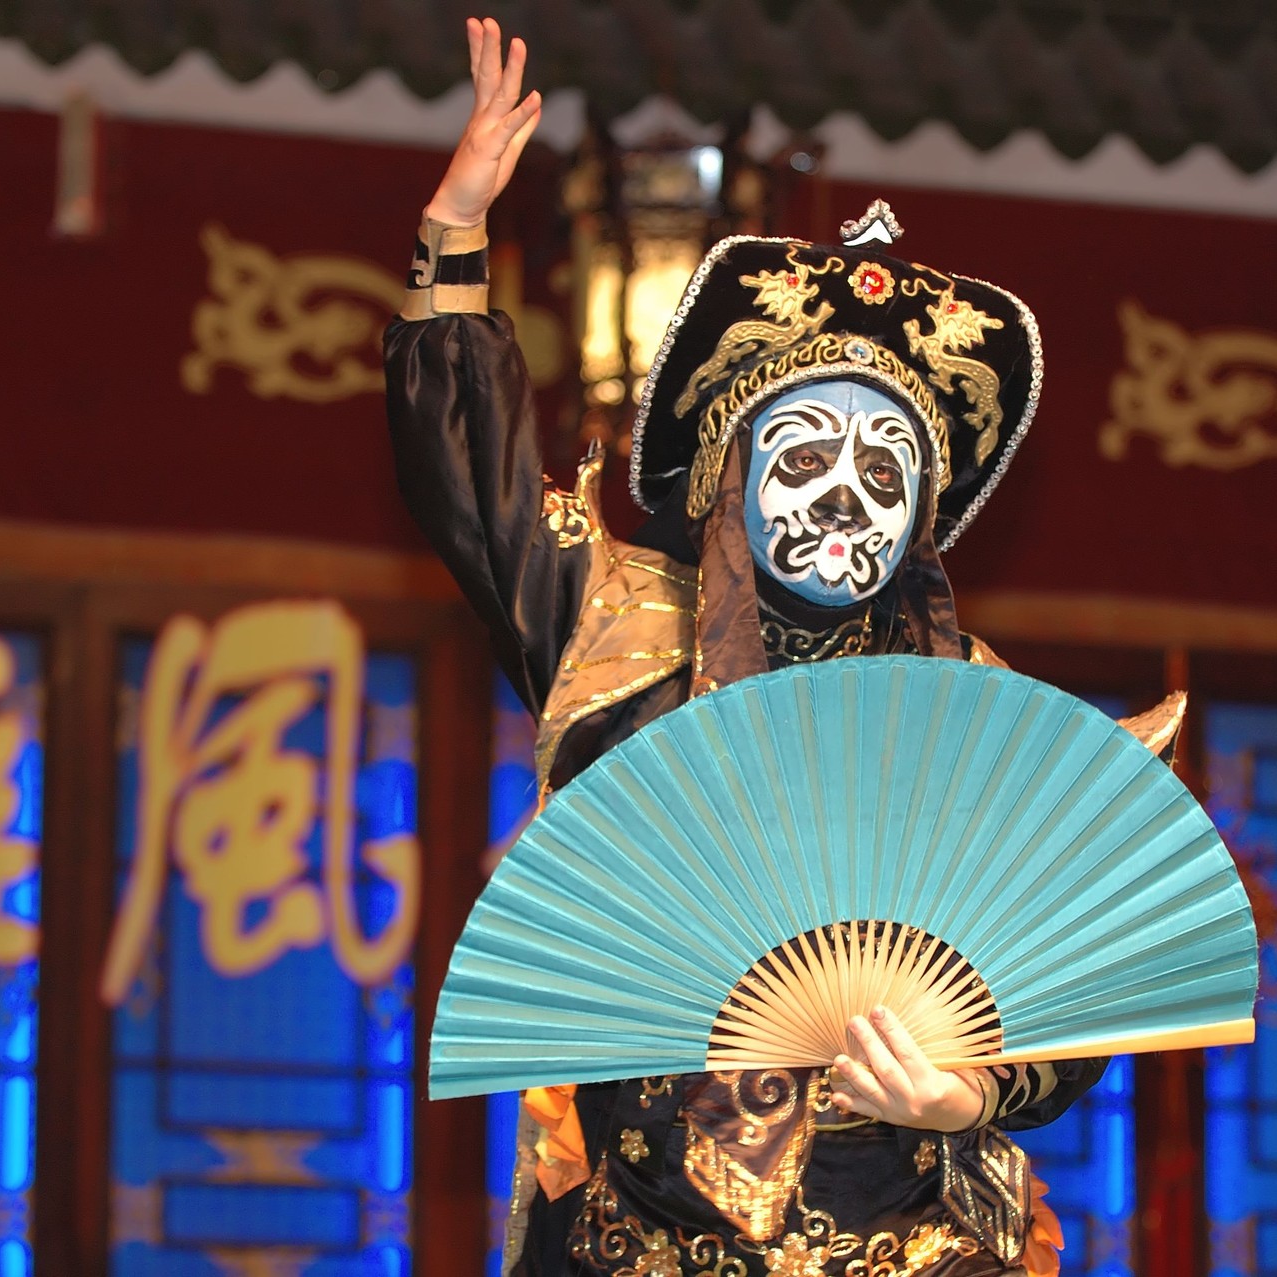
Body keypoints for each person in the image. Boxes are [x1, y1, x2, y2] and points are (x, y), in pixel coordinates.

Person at [386, 19, 1182, 1277]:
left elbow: (1064, 986)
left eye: (886, 469)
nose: (842, 497)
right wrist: (458, 227)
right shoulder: (619, 627)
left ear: (921, 513)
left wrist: (969, 1096)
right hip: (638, 1243)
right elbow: (472, 498)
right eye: (804, 455)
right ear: (730, 478)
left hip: (912, 1244)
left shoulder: (979, 709)